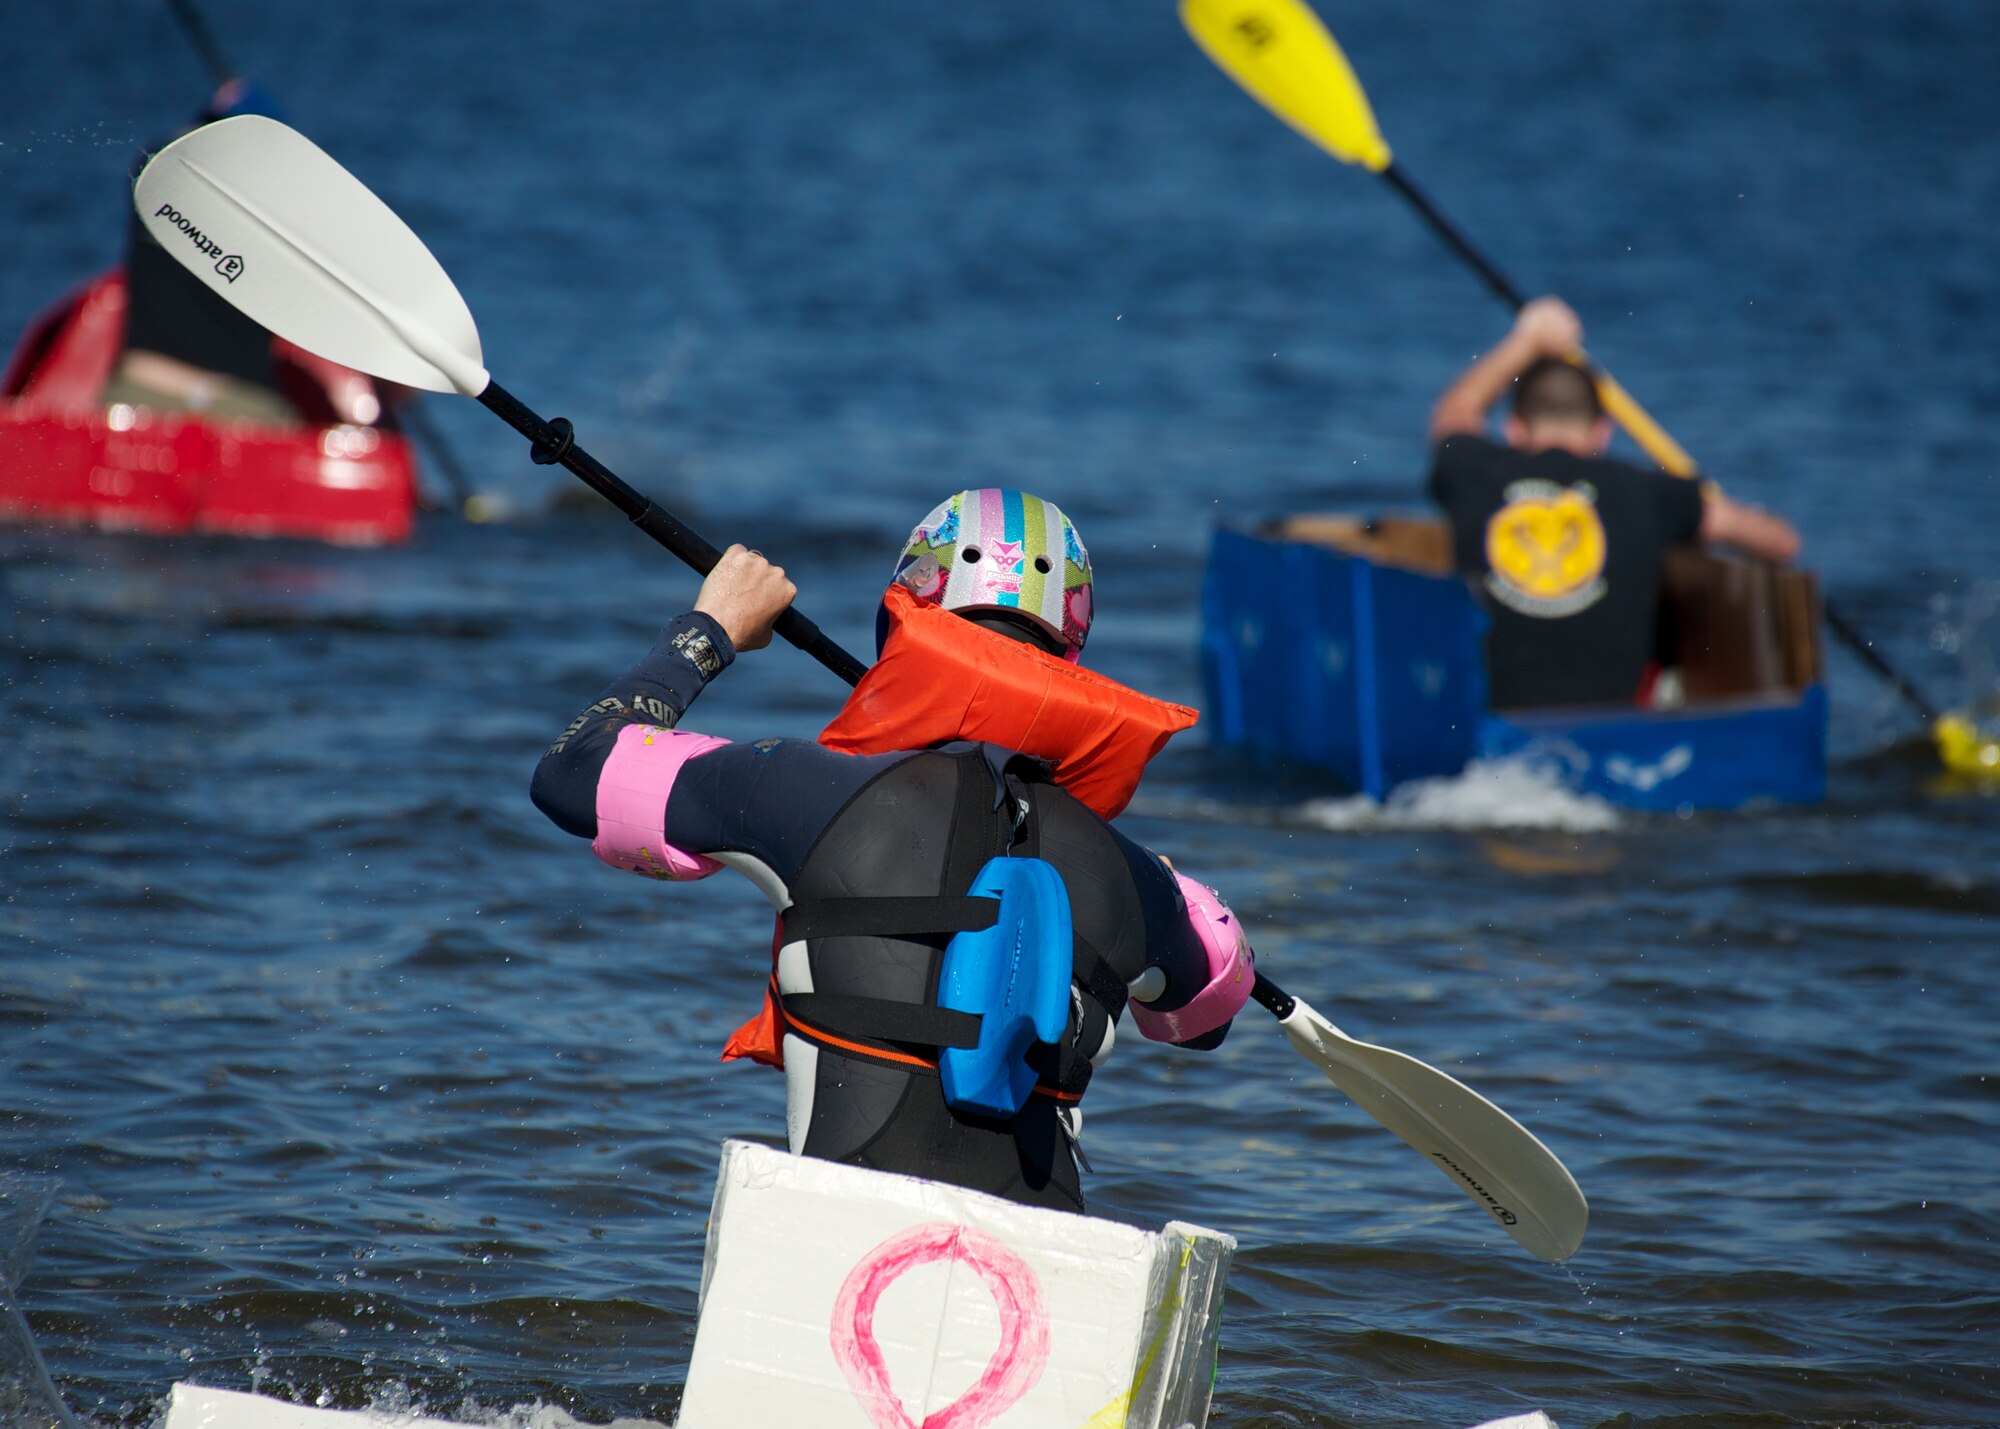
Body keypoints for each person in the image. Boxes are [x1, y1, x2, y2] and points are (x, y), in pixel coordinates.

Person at [530, 490, 1252, 1212]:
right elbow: (1207, 1011)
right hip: (1042, 1265)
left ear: (905, 611)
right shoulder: (1131, 878)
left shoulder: (799, 789)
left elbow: (573, 773)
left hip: (841, 1240)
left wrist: (710, 627)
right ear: (1071, 645)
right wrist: (1164, 887)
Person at [1426, 297, 1802, 710]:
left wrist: (1526, 340)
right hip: (1610, 733)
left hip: (1495, 738)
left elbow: (1455, 412)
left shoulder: (1475, 473)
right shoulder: (1652, 493)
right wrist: (1761, 522)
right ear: (1602, 433)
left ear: (1513, 429)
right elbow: (1780, 544)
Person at [101, 80, 300, 424]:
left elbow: (169, 147)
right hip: (243, 409)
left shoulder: (152, 177)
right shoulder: (286, 210)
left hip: (139, 393)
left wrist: (222, 108)